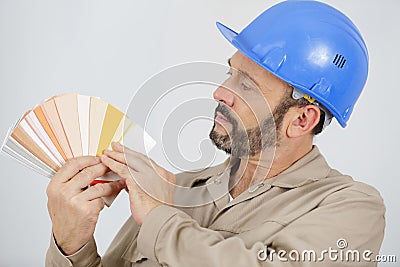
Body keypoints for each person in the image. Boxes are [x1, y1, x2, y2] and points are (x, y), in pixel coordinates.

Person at [45, 1, 385, 266]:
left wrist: (157, 217)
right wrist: (72, 244)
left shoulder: (352, 207)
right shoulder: (179, 189)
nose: (221, 92)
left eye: (248, 86)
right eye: (231, 73)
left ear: (301, 120)